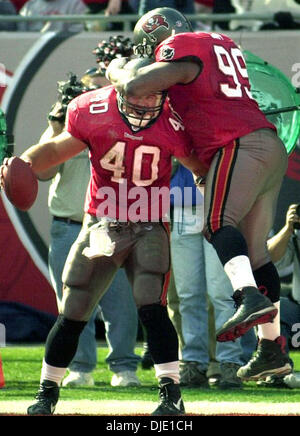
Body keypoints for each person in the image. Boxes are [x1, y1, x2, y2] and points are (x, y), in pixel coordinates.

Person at [3, 57, 206, 416]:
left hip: (149, 221)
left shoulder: (175, 119)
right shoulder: (92, 108)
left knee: (151, 304)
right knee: (74, 307)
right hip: (103, 219)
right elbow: (58, 148)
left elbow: (200, 169)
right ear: (121, 90)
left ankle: (170, 395)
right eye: (137, 95)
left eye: (152, 95)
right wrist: (27, 163)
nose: (144, 102)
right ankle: (47, 392)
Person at [106, 6, 292, 381]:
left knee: (217, 223)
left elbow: (136, 86)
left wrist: (118, 68)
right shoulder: (218, 45)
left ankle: (248, 297)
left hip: (240, 143)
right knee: (255, 254)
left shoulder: (181, 48)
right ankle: (272, 348)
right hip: (266, 145)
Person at [170, 162, 255, 389]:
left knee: (221, 293)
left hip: (220, 204)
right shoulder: (173, 125)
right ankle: (193, 363)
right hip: (182, 205)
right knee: (188, 294)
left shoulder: (219, 125)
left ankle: (229, 362)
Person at [18, 0, 86, 33]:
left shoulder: (75, 4)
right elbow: (21, 32)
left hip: (64, 47)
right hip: (33, 47)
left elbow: (77, 32)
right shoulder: (30, 5)